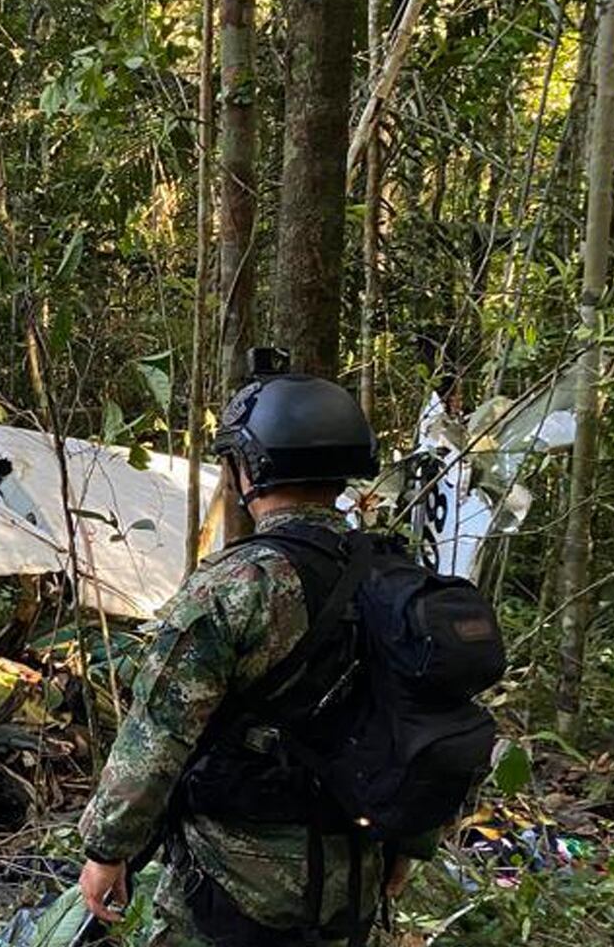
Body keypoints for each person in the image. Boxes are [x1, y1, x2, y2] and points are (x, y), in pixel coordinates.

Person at [73, 364, 414, 945]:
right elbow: (424, 717)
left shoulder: (237, 586)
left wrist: (108, 849)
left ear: (251, 468)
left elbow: (156, 734)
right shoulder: (397, 578)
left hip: (234, 880)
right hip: (358, 874)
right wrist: (409, 842)